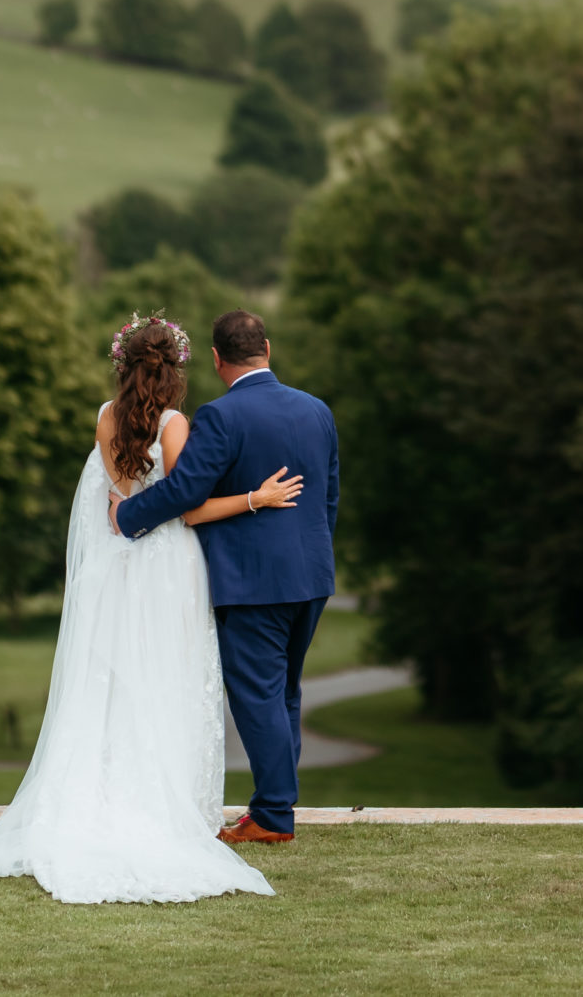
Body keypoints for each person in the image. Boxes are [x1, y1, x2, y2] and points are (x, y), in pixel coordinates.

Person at [0, 313, 301, 904]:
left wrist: (124, 518)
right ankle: (166, 803)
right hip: (169, 567)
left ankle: (103, 795)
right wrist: (257, 497)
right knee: (168, 677)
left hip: (119, 565)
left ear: (123, 366)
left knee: (115, 680)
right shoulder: (175, 424)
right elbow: (188, 508)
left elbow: (119, 499)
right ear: (176, 370)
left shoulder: (105, 417)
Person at [114, 309, 339, 845]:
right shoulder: (317, 410)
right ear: (268, 348)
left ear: (217, 359)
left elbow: (186, 490)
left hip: (253, 582)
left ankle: (273, 816)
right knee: (283, 692)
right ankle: (274, 806)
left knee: (258, 696)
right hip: (311, 575)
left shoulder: (220, 416)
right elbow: (328, 496)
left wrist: (127, 516)